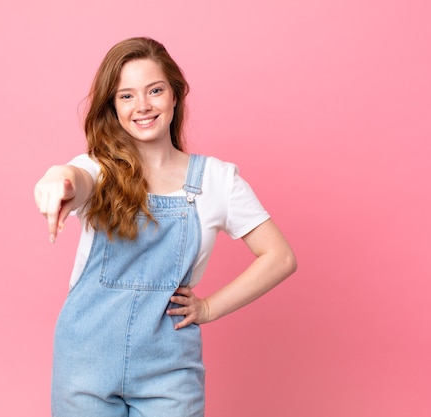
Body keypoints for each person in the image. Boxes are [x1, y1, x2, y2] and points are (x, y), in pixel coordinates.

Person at [34, 37, 297, 417]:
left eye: (154, 90)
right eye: (126, 96)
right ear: (114, 108)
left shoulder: (217, 180)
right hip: (86, 359)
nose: (142, 106)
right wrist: (57, 178)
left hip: (169, 370)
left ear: (175, 95)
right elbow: (76, 178)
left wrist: (208, 308)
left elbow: (280, 257)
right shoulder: (99, 169)